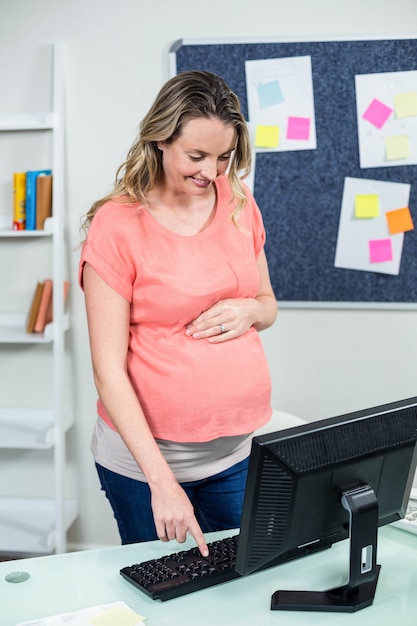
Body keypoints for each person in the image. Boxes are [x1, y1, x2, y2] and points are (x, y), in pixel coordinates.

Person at [79, 70, 278, 557]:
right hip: (148, 467)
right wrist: (161, 483)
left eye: (225, 157)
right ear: (160, 140)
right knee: (166, 588)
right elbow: (108, 372)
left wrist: (250, 309)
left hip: (234, 455)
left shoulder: (238, 203)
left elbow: (270, 306)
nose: (211, 172)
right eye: (197, 156)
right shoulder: (117, 225)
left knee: (241, 584)